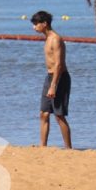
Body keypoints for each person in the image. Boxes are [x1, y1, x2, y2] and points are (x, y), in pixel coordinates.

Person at [32, 10, 72, 148]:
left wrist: (53, 85)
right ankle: (42, 147)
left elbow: (59, 64)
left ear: (45, 23)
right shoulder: (47, 38)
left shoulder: (56, 39)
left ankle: (69, 148)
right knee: (43, 113)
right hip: (49, 77)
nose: (34, 27)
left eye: (36, 24)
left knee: (59, 115)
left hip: (59, 78)